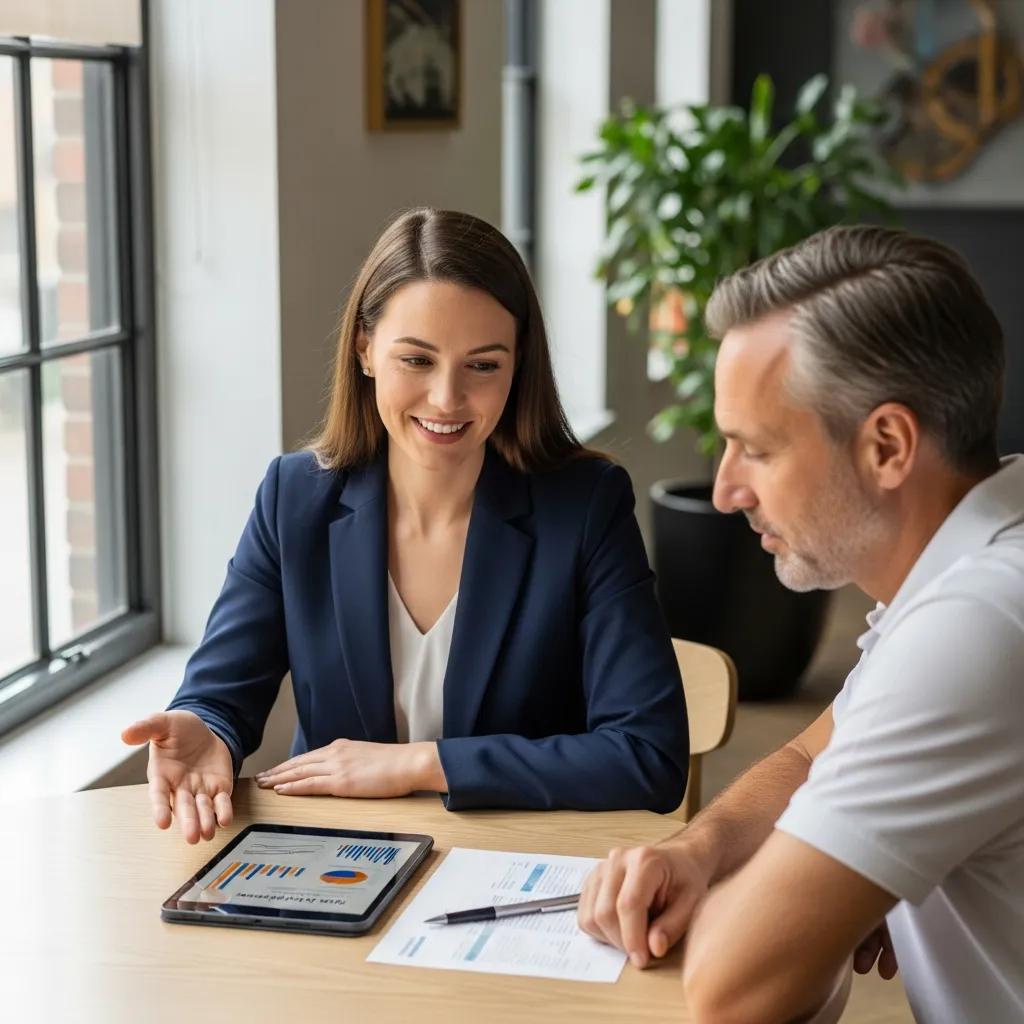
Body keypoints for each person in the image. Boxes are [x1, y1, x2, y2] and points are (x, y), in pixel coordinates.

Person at [122, 208, 689, 845]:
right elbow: (222, 690)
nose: (447, 399)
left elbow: (648, 755)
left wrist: (421, 765)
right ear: (365, 350)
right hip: (341, 855)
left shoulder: (584, 507)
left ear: (518, 364)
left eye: (483, 365)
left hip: (517, 858)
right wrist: (206, 725)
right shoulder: (295, 498)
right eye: (417, 360)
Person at [578, 225, 1024, 1023]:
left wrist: (809, 897)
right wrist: (698, 850)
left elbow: (731, 988)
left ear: (887, 445)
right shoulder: (983, 536)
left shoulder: (978, 624)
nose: (724, 490)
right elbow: (810, 751)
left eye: (756, 449)